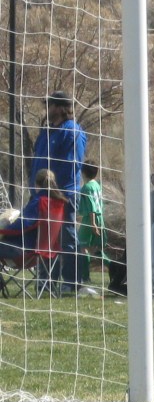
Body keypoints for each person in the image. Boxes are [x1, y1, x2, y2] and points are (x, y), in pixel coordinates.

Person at [29, 93, 87, 291]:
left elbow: (70, 166)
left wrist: (54, 190)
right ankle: (46, 282)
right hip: (42, 196)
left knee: (67, 238)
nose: (47, 107)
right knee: (45, 240)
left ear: (62, 108)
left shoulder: (72, 132)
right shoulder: (47, 132)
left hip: (63, 195)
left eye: (51, 104)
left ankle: (72, 283)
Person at [77, 162, 105, 291]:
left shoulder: (87, 187)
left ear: (83, 173)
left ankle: (85, 277)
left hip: (90, 219)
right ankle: (114, 268)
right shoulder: (97, 185)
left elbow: (91, 206)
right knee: (96, 248)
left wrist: (92, 223)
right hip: (99, 217)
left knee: (83, 247)